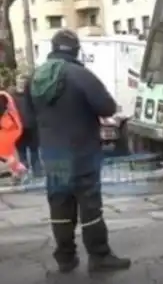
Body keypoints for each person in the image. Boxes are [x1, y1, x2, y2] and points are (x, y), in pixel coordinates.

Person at [26, 29, 130, 273]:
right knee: (90, 205)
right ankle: (99, 256)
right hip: (82, 154)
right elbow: (107, 107)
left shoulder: (35, 77)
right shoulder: (81, 75)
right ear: (75, 49)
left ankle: (65, 257)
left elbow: (29, 120)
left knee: (60, 204)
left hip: (53, 155)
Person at [12, 74, 41, 177]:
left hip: (32, 126)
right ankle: (24, 174)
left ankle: (37, 174)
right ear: (16, 82)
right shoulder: (11, 95)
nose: (22, 83)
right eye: (20, 80)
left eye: (24, 81)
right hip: (18, 128)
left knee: (34, 151)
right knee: (21, 152)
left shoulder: (33, 94)